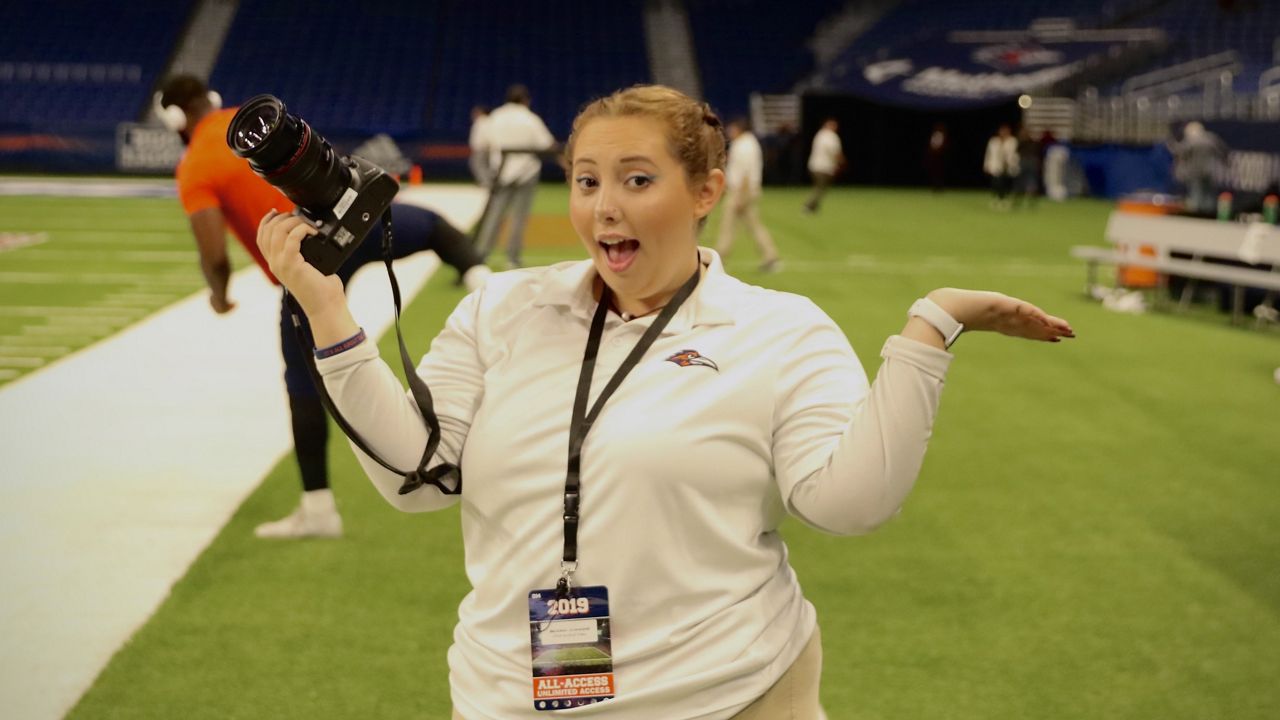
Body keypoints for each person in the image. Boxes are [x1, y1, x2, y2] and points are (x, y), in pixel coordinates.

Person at [257, 84, 1074, 719]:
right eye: (586, 181)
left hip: (729, 694)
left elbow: (849, 505)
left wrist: (928, 331)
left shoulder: (779, 330)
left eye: (637, 180)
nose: (604, 205)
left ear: (706, 190)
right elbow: (414, 480)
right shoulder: (499, 310)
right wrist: (330, 313)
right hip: (505, 694)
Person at [156, 74, 491, 539]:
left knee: (302, 384)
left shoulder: (196, 164)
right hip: (345, 218)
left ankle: (318, 508)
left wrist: (219, 295)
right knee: (434, 226)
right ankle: (487, 291)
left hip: (305, 262)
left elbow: (213, 254)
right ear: (208, 100)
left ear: (172, 118)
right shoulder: (251, 123)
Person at [473, 83, 556, 268]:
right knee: (519, 217)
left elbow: (482, 144)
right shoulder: (530, 118)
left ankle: (481, 255)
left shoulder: (495, 117)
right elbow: (546, 144)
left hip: (501, 171)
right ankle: (512, 258)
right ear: (525, 100)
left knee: (495, 214)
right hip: (526, 172)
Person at [716, 117, 780, 272]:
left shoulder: (744, 146)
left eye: (732, 128)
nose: (730, 132)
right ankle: (770, 255)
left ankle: (720, 258)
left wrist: (739, 195)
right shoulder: (747, 143)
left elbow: (745, 173)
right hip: (744, 191)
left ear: (739, 129)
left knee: (728, 224)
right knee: (752, 225)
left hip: (742, 191)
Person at [1168, 121, 1227, 216]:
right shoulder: (1211, 139)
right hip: (1209, 170)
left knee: (1197, 191)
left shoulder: (1191, 141)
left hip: (1195, 171)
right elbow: (1222, 151)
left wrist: (1171, 143)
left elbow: (1179, 152)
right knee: (1209, 193)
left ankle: (1197, 212)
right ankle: (1209, 212)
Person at [803, 118, 843, 214]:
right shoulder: (831, 136)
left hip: (814, 165)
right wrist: (841, 162)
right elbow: (834, 152)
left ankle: (813, 207)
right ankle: (808, 206)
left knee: (820, 188)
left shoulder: (819, 134)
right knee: (820, 188)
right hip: (823, 167)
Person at [984, 123, 1018, 210]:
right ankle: (997, 198)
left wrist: (1012, 163)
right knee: (996, 183)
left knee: (1006, 183)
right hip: (996, 165)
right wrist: (987, 165)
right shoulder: (994, 141)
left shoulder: (1012, 141)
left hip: (1008, 166)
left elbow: (1014, 154)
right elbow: (989, 154)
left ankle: (1005, 199)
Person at [1013, 126, 1042, 208]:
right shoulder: (1033, 142)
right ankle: (1030, 203)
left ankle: (1019, 201)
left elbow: (1017, 152)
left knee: (1022, 182)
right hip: (1032, 162)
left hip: (1026, 162)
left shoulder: (1022, 142)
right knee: (1031, 182)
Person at [466, 104, 492, 187]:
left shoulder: (482, 121)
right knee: (480, 165)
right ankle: (486, 182)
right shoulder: (483, 121)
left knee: (479, 165)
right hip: (482, 148)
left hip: (482, 148)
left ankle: (486, 183)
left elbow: (485, 136)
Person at [925, 121, 948, 192]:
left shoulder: (941, 135)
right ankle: (935, 187)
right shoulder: (935, 135)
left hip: (939, 158)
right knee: (935, 174)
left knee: (940, 174)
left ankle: (939, 187)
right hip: (934, 158)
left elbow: (942, 145)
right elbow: (932, 145)